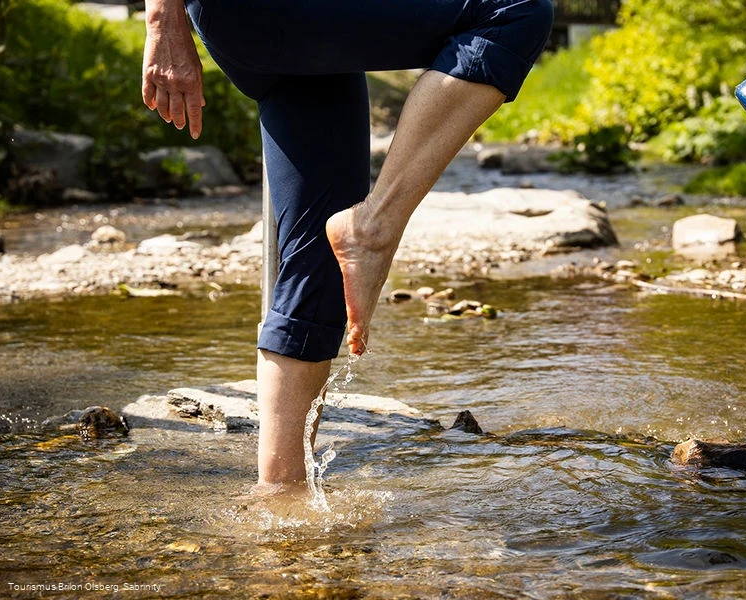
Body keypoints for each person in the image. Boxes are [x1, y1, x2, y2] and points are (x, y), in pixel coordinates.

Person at [142, 0, 554, 494]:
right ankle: (375, 225)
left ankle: (281, 497)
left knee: (320, 263)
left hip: (280, 31)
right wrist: (162, 19)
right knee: (513, 7)